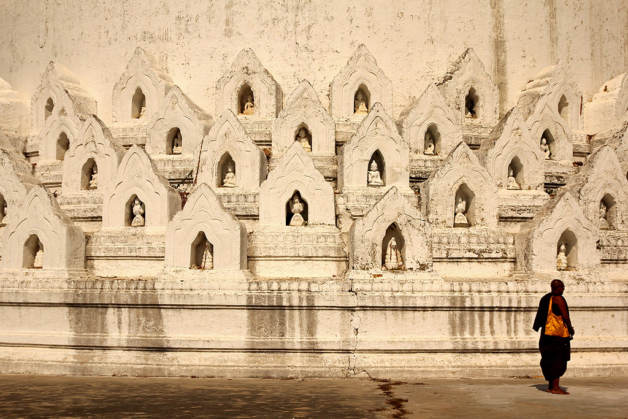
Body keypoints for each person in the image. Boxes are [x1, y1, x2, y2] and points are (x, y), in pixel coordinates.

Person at [532, 279, 574, 395]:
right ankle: (555, 387)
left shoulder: (546, 298)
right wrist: (571, 329)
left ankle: (551, 386)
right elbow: (565, 317)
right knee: (558, 360)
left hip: (546, 334)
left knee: (549, 359)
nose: (563, 289)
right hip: (557, 335)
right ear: (557, 288)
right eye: (562, 287)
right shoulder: (558, 299)